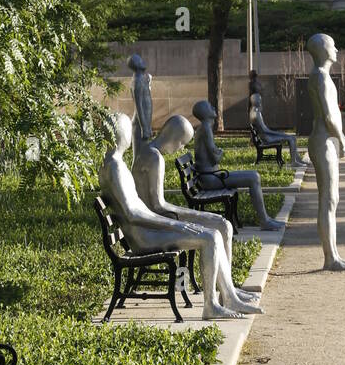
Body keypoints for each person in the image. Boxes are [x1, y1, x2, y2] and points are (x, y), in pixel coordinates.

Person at [99, 113, 261, 320]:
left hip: (142, 231)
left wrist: (179, 225)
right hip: (142, 237)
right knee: (210, 237)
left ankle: (228, 296)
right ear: (120, 134)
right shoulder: (116, 167)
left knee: (213, 232)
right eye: (128, 131)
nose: (131, 136)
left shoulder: (113, 164)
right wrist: (178, 226)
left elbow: (139, 209)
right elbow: (134, 213)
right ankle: (211, 305)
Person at [306, 32, 345, 270]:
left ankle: (333, 254)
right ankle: (330, 257)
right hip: (324, 140)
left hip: (324, 141)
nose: (337, 49)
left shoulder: (319, 76)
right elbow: (328, 116)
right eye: (333, 45)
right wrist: (343, 139)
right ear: (323, 50)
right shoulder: (321, 78)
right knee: (328, 199)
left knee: (331, 199)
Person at [192, 100, 280, 232]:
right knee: (253, 177)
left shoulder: (204, 128)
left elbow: (213, 154)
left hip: (211, 176)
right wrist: (219, 153)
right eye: (210, 106)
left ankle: (265, 219)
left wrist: (217, 152)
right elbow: (215, 157)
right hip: (211, 179)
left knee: (253, 175)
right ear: (205, 113)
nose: (213, 107)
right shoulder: (205, 128)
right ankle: (264, 221)